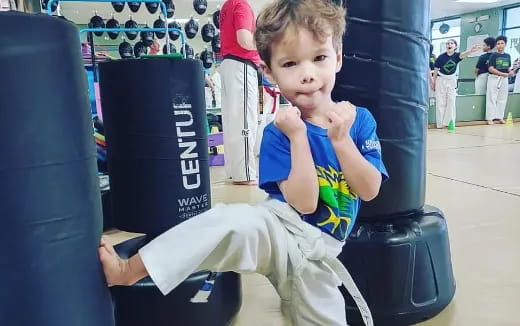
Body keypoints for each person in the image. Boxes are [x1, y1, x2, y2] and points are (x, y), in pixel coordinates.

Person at [98, 1, 388, 325]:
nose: (307, 75)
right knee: (227, 221)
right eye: (290, 63)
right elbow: (304, 205)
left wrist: (341, 140)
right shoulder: (279, 132)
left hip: (319, 255)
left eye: (318, 58)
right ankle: (129, 270)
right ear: (268, 72)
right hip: (278, 229)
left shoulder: (359, 121)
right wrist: (298, 137)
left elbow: (370, 188)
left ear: (337, 56)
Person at [219, 0, 261, 185]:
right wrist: (266, 44)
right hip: (242, 65)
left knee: (232, 122)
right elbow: (244, 40)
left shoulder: (228, 5)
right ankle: (245, 174)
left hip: (230, 65)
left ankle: (234, 172)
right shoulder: (241, 5)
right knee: (245, 121)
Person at [432, 39, 480, 129]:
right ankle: (440, 124)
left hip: (451, 80)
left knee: (451, 101)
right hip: (441, 79)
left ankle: (449, 123)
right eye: (447, 43)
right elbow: (435, 70)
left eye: (451, 43)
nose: (449, 45)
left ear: (455, 46)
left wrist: (471, 50)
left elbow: (464, 54)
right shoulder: (440, 57)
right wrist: (433, 82)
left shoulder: (457, 56)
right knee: (440, 102)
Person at [486, 36, 517, 125]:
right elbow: (491, 69)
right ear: (496, 45)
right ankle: (490, 118)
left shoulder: (507, 56)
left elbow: (507, 68)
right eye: (498, 44)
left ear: (505, 44)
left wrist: (511, 72)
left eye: (502, 43)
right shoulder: (493, 55)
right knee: (491, 98)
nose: (500, 45)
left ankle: (499, 117)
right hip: (494, 78)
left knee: (502, 98)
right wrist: (502, 74)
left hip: (504, 79)